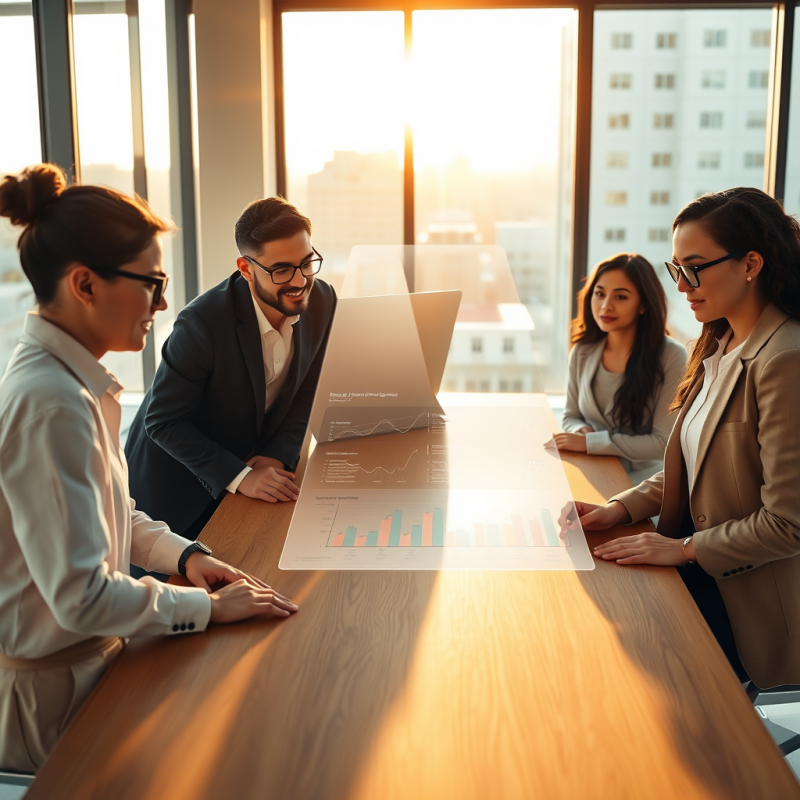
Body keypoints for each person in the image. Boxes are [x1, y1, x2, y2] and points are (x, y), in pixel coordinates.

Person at [0, 164, 298, 772]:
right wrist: (208, 609)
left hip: (93, 665)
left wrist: (189, 558)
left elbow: (116, 512)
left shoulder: (71, 385)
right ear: (85, 285)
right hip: (55, 700)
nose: (162, 303)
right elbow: (82, 599)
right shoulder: (50, 404)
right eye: (151, 283)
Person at [567, 188, 800, 690]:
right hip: (699, 564)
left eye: (693, 268)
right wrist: (620, 507)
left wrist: (686, 549)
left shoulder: (784, 360)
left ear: (750, 264)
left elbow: (788, 523)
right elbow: (694, 465)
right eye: (675, 269)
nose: (682, 286)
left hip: (747, 599)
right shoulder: (716, 343)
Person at [125, 197, 336, 540]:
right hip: (176, 489)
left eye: (307, 262)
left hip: (253, 465)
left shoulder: (322, 300)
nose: (299, 281)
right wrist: (240, 476)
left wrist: (276, 455)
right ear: (246, 268)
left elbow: (305, 390)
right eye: (281, 269)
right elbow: (163, 422)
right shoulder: (202, 324)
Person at [557, 254, 687, 483]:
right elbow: (571, 415)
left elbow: (663, 442)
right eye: (599, 294)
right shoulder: (582, 351)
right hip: (591, 467)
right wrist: (582, 432)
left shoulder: (671, 356)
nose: (606, 306)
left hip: (646, 482)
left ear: (643, 304)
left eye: (620, 296)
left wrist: (591, 442)